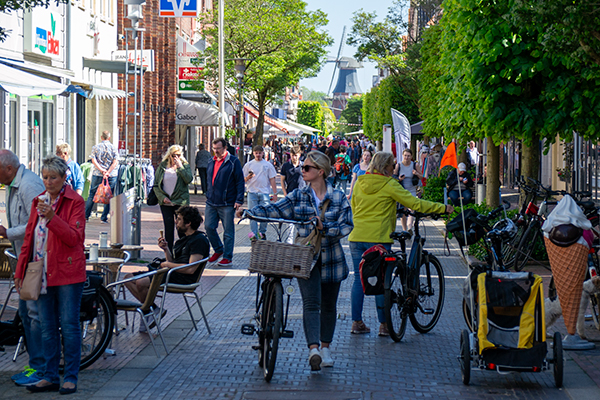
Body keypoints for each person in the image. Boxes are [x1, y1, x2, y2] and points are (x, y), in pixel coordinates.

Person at [239, 151, 353, 371]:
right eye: (302, 167)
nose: (303, 170)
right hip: (305, 257)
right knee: (311, 303)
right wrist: (251, 212)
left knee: (329, 305)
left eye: (307, 168)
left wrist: (325, 228)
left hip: (332, 259)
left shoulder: (338, 197)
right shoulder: (299, 195)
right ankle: (314, 350)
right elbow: (275, 209)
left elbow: (347, 226)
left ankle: (326, 348)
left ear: (320, 171)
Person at [349, 152, 453, 336]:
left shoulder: (359, 183)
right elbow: (415, 203)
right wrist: (443, 208)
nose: (393, 168)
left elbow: (354, 207)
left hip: (356, 237)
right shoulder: (389, 184)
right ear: (385, 167)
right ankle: (384, 325)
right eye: (391, 165)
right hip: (378, 239)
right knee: (380, 281)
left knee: (359, 280)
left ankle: (356, 322)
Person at [15, 155, 86, 394]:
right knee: (46, 326)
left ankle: (71, 376)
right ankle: (50, 375)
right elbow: (29, 238)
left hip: (67, 272)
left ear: (64, 177)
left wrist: (53, 218)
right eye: (44, 177)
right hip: (41, 272)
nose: (47, 182)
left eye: (53, 177)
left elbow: (74, 238)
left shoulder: (75, 201)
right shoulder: (38, 201)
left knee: (68, 325)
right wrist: (20, 269)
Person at [0, 150, 45, 387]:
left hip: (33, 260)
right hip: (23, 257)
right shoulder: (13, 183)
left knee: (34, 314)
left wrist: (8, 233)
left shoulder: (29, 185)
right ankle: (34, 364)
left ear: (9, 169)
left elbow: (36, 221)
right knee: (28, 314)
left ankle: (39, 366)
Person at [124, 206, 210, 331]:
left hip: (183, 278)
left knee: (141, 282)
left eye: (179, 219)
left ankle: (149, 312)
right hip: (171, 273)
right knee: (128, 278)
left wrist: (167, 265)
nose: (176, 222)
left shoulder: (199, 240)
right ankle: (152, 310)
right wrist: (166, 249)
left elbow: (190, 269)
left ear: (188, 223)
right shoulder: (182, 240)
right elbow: (173, 262)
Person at [205, 137, 245, 267]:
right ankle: (218, 249)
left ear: (225, 148)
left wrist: (239, 199)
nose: (215, 151)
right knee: (208, 227)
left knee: (228, 231)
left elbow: (240, 181)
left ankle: (227, 257)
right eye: (214, 149)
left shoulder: (233, 162)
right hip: (211, 201)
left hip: (227, 202)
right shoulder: (210, 161)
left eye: (218, 149)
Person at [153, 145, 193, 253]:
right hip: (166, 202)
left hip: (180, 201)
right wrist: (162, 198)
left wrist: (180, 167)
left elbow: (189, 179)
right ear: (169, 155)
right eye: (173, 155)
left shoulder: (184, 165)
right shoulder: (162, 166)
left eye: (178, 155)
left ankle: (183, 252)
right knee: (168, 228)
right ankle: (169, 253)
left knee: (182, 228)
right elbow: (156, 185)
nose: (176, 157)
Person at [243, 145, 278, 240]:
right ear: (253, 153)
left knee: (265, 213)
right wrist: (248, 178)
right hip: (252, 192)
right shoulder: (248, 165)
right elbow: (242, 179)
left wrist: (275, 193)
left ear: (263, 153)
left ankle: (262, 232)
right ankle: (254, 233)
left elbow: (272, 179)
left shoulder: (268, 165)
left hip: (264, 193)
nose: (258, 155)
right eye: (256, 153)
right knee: (252, 214)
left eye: (260, 153)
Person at [85, 130, 119, 223]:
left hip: (98, 174)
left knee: (92, 194)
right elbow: (115, 162)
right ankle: (104, 217)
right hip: (111, 175)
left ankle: (86, 216)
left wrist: (101, 170)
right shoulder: (113, 148)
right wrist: (108, 171)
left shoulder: (96, 147)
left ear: (101, 137)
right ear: (109, 137)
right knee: (109, 195)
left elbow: (93, 160)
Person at [393, 149, 423, 233]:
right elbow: (393, 177)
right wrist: (399, 178)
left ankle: (410, 227)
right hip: (402, 190)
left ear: (411, 157)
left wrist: (416, 173)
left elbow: (421, 176)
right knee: (403, 210)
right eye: (405, 155)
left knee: (412, 207)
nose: (406, 157)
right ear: (403, 156)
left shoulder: (415, 165)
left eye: (408, 156)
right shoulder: (398, 165)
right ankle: (404, 229)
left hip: (412, 189)